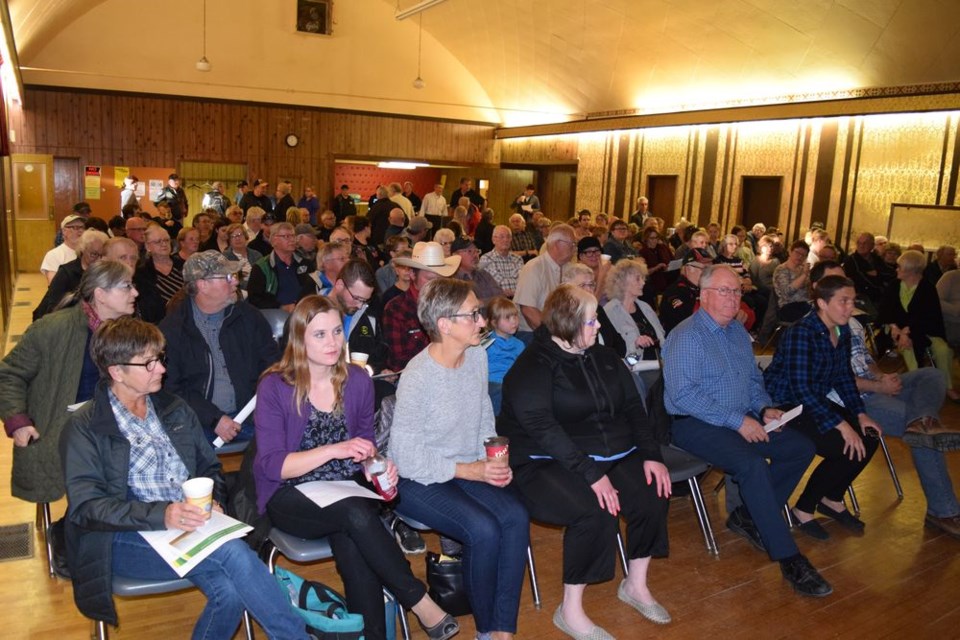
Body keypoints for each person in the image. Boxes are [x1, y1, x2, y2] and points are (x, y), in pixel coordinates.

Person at [61, 317, 310, 640]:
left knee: (230, 593)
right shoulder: (85, 426)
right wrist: (162, 513)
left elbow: (209, 468)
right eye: (148, 363)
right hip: (121, 536)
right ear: (116, 371)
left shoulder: (172, 408)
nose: (161, 370)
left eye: (160, 359)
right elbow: (87, 506)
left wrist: (214, 499)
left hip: (187, 524)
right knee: (234, 552)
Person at [252, 296, 459, 640]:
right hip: (289, 494)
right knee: (356, 514)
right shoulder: (276, 386)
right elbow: (274, 465)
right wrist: (335, 449)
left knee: (354, 535)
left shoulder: (357, 380)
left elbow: (363, 447)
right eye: (320, 335)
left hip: (343, 492)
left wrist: (377, 466)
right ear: (299, 338)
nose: (333, 342)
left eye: (336, 331)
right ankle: (418, 599)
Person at [499, 284, 672, 637]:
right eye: (591, 322)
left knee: (653, 490)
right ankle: (570, 609)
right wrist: (592, 474)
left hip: (609, 453)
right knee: (594, 508)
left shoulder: (603, 356)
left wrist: (652, 455)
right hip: (544, 459)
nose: (597, 327)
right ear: (567, 323)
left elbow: (633, 409)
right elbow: (542, 428)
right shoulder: (532, 365)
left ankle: (635, 585)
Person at [663, 265, 830, 597]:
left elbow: (753, 381)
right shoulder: (686, 336)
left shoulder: (737, 333)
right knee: (751, 465)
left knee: (800, 447)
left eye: (737, 291)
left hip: (739, 417)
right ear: (705, 295)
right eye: (725, 291)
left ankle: (748, 514)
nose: (733, 297)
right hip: (692, 424)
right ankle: (789, 557)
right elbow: (684, 395)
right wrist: (738, 421)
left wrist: (764, 408)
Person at [389, 278, 529, 640]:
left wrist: (495, 458)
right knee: (482, 529)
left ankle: (503, 629)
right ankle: (486, 630)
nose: (483, 322)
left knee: (515, 516)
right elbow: (405, 457)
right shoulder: (418, 376)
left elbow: (484, 415)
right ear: (445, 325)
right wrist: (471, 470)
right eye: (473, 315)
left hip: (465, 466)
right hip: (418, 478)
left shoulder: (477, 357)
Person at [815, 263, 960, 537]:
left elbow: (866, 360)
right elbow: (834, 380)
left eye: (844, 279)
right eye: (834, 282)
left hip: (873, 386)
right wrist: (877, 387)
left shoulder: (852, 322)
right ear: (819, 293)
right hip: (851, 401)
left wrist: (884, 377)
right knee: (921, 432)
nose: (844, 288)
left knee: (931, 376)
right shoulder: (816, 326)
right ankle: (944, 510)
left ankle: (923, 419)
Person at [1, 261, 138, 511]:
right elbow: (9, 374)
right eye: (127, 286)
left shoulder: (131, 330)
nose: (135, 293)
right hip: (67, 430)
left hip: (118, 426)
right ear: (100, 294)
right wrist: (18, 421)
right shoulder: (53, 328)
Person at [763, 275, 881, 539]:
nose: (850, 307)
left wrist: (860, 415)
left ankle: (832, 498)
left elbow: (843, 378)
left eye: (852, 301)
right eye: (843, 301)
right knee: (842, 445)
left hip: (812, 400)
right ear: (822, 303)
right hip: (784, 405)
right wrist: (842, 426)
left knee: (869, 437)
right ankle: (803, 509)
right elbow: (800, 390)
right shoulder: (800, 333)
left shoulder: (842, 330)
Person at [159, 251, 280, 444]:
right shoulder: (173, 330)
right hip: (199, 424)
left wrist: (262, 407)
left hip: (252, 417)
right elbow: (172, 389)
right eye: (228, 277)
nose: (236, 282)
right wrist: (213, 418)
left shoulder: (249, 317)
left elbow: (272, 364)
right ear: (202, 284)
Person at [879, 250, 958, 402]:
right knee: (908, 346)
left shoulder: (927, 288)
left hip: (923, 329)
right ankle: (917, 384)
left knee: (944, 350)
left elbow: (928, 316)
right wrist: (897, 329)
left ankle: (948, 387)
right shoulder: (894, 285)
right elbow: (885, 310)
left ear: (911, 270)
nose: (896, 269)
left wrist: (908, 331)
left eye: (900, 267)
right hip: (894, 327)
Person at [382, 242, 460, 372]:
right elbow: (398, 362)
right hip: (417, 378)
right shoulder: (396, 309)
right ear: (412, 274)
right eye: (429, 279)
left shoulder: (452, 304)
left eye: (440, 280)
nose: (436, 286)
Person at [513, 224, 577, 341]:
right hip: (532, 333)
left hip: (561, 332)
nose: (575, 248)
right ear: (557, 244)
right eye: (572, 244)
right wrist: (553, 338)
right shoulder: (534, 267)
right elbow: (528, 310)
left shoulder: (570, 268)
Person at [34, 228, 108, 321]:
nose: (98, 260)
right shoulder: (66, 272)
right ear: (82, 250)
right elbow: (54, 306)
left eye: (102, 255)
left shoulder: (104, 273)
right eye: (93, 254)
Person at [603, 259, 666, 364]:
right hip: (636, 370)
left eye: (643, 278)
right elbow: (617, 357)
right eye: (638, 279)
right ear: (622, 283)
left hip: (660, 363)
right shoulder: (610, 312)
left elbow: (662, 338)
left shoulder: (645, 307)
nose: (643, 282)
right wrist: (636, 345)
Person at [247, 222, 315, 311]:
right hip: (275, 315)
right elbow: (255, 299)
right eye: (286, 236)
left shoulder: (305, 263)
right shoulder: (261, 267)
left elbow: (314, 289)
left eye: (293, 236)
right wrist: (282, 307)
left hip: (304, 311)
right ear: (274, 241)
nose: (292, 240)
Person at [134, 224, 185, 323]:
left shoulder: (183, 266)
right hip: (158, 324)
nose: (164, 244)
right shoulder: (141, 273)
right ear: (148, 246)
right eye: (158, 241)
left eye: (166, 240)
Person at [484, 297, 524, 415]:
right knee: (500, 392)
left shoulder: (519, 345)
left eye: (515, 316)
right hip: (492, 383)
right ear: (494, 322)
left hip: (511, 383)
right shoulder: (487, 343)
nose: (514, 321)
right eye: (507, 318)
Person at [451, 236, 503, 303]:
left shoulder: (484, 275)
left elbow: (501, 297)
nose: (475, 255)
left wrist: (480, 303)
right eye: (469, 251)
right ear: (455, 255)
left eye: (477, 251)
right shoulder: (451, 280)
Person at [478, 225, 523, 298]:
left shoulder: (518, 259)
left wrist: (515, 292)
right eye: (502, 237)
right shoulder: (486, 259)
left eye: (508, 237)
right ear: (493, 240)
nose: (505, 240)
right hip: (497, 300)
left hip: (517, 298)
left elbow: (522, 281)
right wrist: (500, 292)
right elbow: (485, 286)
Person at [772, 240, 812, 322]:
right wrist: (804, 275)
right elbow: (787, 292)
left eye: (803, 255)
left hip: (804, 303)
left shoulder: (802, 269)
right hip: (788, 306)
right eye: (797, 253)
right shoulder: (781, 269)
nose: (800, 257)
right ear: (790, 252)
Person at [42, 214, 86, 283]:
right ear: (64, 231)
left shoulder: (89, 253)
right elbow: (54, 285)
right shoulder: (53, 255)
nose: (80, 231)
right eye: (75, 228)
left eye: (82, 227)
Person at [223, 222, 263, 293]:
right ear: (229, 241)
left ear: (245, 237)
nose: (237, 238)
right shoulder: (225, 257)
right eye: (233, 236)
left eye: (239, 235)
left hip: (258, 290)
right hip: (237, 293)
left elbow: (263, 275)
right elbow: (227, 278)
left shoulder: (256, 254)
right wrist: (241, 275)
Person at [576, 236, 612, 305]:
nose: (594, 255)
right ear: (580, 256)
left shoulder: (609, 270)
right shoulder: (577, 277)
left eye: (597, 250)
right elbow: (591, 306)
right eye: (589, 252)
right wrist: (602, 278)